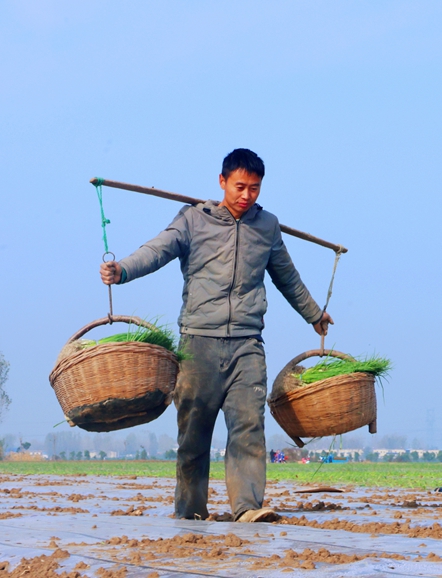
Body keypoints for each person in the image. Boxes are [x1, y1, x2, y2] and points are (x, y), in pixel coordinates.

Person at [100, 149, 333, 522]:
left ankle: (247, 508)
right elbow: (157, 250)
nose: (246, 196)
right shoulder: (193, 220)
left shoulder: (267, 226)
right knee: (194, 434)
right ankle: (190, 511)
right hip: (198, 343)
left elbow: (287, 276)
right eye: (240, 187)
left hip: (247, 343)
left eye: (254, 189)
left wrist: (314, 314)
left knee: (249, 427)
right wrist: (122, 270)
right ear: (222, 181)